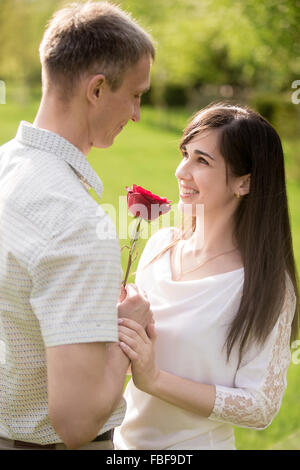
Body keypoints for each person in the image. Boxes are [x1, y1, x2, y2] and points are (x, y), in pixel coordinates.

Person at [0, 2, 155, 450]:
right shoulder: (79, 223)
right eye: (136, 94)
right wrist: (126, 334)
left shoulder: (5, 166)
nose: (138, 113)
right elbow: (77, 420)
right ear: (98, 89)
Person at [114, 102, 299, 450]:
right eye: (185, 154)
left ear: (244, 183)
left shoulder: (264, 285)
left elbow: (259, 406)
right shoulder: (159, 247)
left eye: (202, 161)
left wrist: (154, 379)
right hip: (121, 446)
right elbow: (134, 358)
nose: (181, 171)